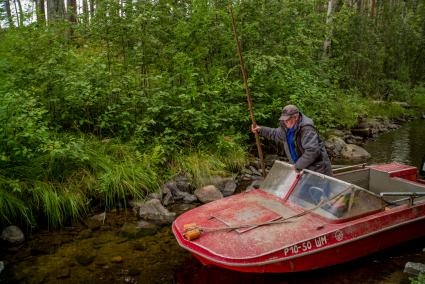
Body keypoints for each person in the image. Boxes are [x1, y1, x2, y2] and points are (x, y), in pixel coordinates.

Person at [251, 104, 333, 176]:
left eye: (287, 120)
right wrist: (260, 130)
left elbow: (312, 151)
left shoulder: (306, 129)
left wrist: (297, 166)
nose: (285, 122)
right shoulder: (286, 127)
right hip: (303, 168)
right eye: (283, 120)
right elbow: (275, 133)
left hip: (318, 169)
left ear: (296, 117)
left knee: (322, 193)